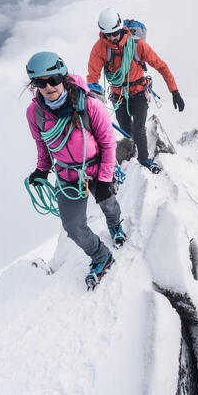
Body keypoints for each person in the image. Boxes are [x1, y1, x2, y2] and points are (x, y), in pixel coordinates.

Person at [25, 51, 124, 284]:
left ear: (64, 77)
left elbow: (109, 144)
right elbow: (44, 145)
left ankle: (115, 225)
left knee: (108, 203)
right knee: (72, 226)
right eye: (40, 82)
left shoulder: (90, 105)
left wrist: (104, 179)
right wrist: (41, 170)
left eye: (53, 79)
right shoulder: (35, 113)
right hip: (67, 174)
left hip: (97, 167)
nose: (49, 86)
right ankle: (101, 256)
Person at [87, 9, 185, 174]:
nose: (111, 37)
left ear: (120, 28)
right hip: (118, 96)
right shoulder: (100, 48)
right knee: (126, 129)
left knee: (138, 128)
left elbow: (161, 66)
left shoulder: (137, 45)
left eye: (114, 33)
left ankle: (145, 160)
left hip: (139, 92)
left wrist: (174, 91)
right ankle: (138, 145)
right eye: (107, 34)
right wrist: (94, 99)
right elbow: (92, 78)